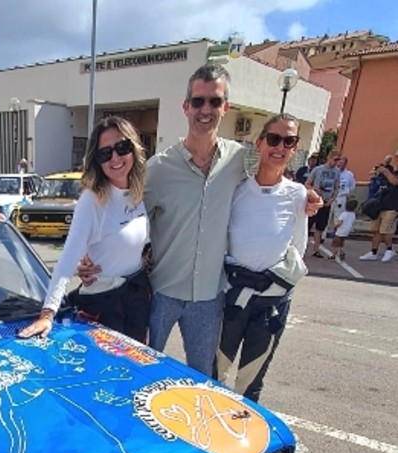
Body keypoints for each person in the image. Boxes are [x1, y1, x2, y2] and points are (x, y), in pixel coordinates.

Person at [77, 65, 322, 376]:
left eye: (214, 101)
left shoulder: (237, 159)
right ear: (186, 107)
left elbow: (267, 181)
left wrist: (303, 194)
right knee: (138, 371)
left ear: (225, 107)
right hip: (162, 292)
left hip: (209, 297)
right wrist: (87, 253)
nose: (205, 109)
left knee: (203, 379)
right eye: (198, 101)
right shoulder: (159, 168)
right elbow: (117, 208)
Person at [18, 116, 150, 342]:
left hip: (137, 300)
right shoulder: (92, 200)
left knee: (134, 372)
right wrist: (48, 313)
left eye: (122, 147)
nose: (115, 158)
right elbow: (67, 260)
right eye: (105, 153)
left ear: (133, 148)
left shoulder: (141, 191)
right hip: (104, 305)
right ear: (96, 161)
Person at [214, 114, 307, 402]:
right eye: (274, 139)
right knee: (214, 374)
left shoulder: (298, 194)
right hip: (233, 297)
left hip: (271, 302)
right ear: (260, 143)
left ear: (295, 148)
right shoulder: (237, 190)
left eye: (289, 141)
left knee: (251, 381)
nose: (280, 147)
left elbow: (298, 248)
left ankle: (243, 441)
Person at [359, 150, 398, 263]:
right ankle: (373, 252)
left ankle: (389, 250)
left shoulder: (390, 171)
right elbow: (372, 173)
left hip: (393, 204)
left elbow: (395, 182)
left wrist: (385, 171)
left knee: (385, 230)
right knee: (375, 229)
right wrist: (381, 169)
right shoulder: (390, 168)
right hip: (380, 203)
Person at [305, 149, 340, 257]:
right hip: (315, 201)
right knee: (308, 225)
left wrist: (332, 199)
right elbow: (307, 184)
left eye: (338, 160)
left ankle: (316, 250)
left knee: (320, 227)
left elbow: (336, 187)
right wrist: (315, 190)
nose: (336, 162)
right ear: (329, 158)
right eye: (335, 160)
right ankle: (301, 248)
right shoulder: (318, 169)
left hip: (326, 202)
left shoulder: (337, 171)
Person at [330, 196, 358, 262]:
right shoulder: (353, 214)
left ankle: (334, 254)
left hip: (340, 230)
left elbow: (340, 222)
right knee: (341, 243)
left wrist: (335, 226)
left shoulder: (344, 214)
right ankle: (340, 252)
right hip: (346, 231)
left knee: (335, 243)